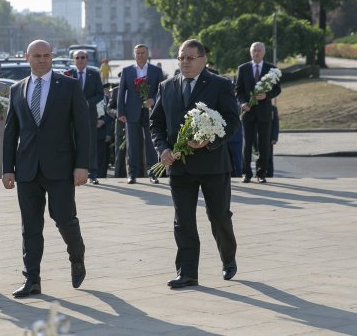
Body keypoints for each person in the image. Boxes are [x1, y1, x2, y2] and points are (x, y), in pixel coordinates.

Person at [150, 39, 241, 289]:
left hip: (213, 164)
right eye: (181, 58)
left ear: (203, 59)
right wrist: (163, 149)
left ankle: (228, 258)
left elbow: (233, 122)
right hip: (179, 166)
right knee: (183, 220)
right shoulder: (166, 86)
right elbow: (156, 123)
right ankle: (187, 272)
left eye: (190, 58)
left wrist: (209, 141)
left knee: (219, 216)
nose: (185, 63)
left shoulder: (220, 85)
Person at [2, 39, 89, 298]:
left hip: (61, 168)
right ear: (27, 57)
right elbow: (10, 132)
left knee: (63, 218)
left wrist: (82, 165)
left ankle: (77, 256)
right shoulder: (17, 89)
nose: (42, 59)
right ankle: (32, 279)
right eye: (37, 55)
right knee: (30, 226)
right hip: (27, 169)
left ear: (52, 57)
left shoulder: (69, 86)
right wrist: (8, 168)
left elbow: (83, 129)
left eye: (46, 55)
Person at [235, 42, 282, 184]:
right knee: (247, 144)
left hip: (264, 112)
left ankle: (261, 174)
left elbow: (277, 89)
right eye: (254, 50)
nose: (256, 53)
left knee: (264, 144)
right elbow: (238, 90)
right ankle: (246, 173)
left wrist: (267, 96)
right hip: (248, 112)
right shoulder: (243, 68)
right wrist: (243, 103)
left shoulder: (271, 69)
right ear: (250, 52)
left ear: (264, 52)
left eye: (259, 50)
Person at [117, 44, 162, 184]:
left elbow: (161, 90)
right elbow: (121, 92)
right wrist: (121, 112)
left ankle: (153, 173)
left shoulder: (156, 71)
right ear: (134, 55)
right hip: (132, 112)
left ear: (147, 54)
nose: (141, 55)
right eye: (138, 53)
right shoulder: (127, 71)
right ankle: (132, 174)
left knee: (151, 143)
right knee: (132, 144)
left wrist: (153, 100)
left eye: (143, 53)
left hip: (151, 111)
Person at [70, 50, 104, 184]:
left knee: (91, 145)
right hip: (71, 117)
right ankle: (73, 172)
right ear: (73, 60)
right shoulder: (68, 74)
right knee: (72, 143)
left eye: (82, 57)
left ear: (87, 59)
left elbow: (100, 94)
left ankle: (93, 174)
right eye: (77, 58)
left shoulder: (94, 74)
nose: (80, 60)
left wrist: (87, 103)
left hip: (89, 115)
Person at [96, 83, 115, 178]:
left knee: (103, 157)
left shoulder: (106, 99)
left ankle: (101, 175)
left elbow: (110, 116)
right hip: (89, 131)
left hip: (102, 133)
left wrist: (103, 121)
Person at [266, 105, 280, 177]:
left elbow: (276, 124)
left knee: (269, 156)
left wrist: (274, 138)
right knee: (257, 155)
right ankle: (259, 172)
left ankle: (269, 173)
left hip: (269, 137)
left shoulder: (273, 109)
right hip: (258, 136)